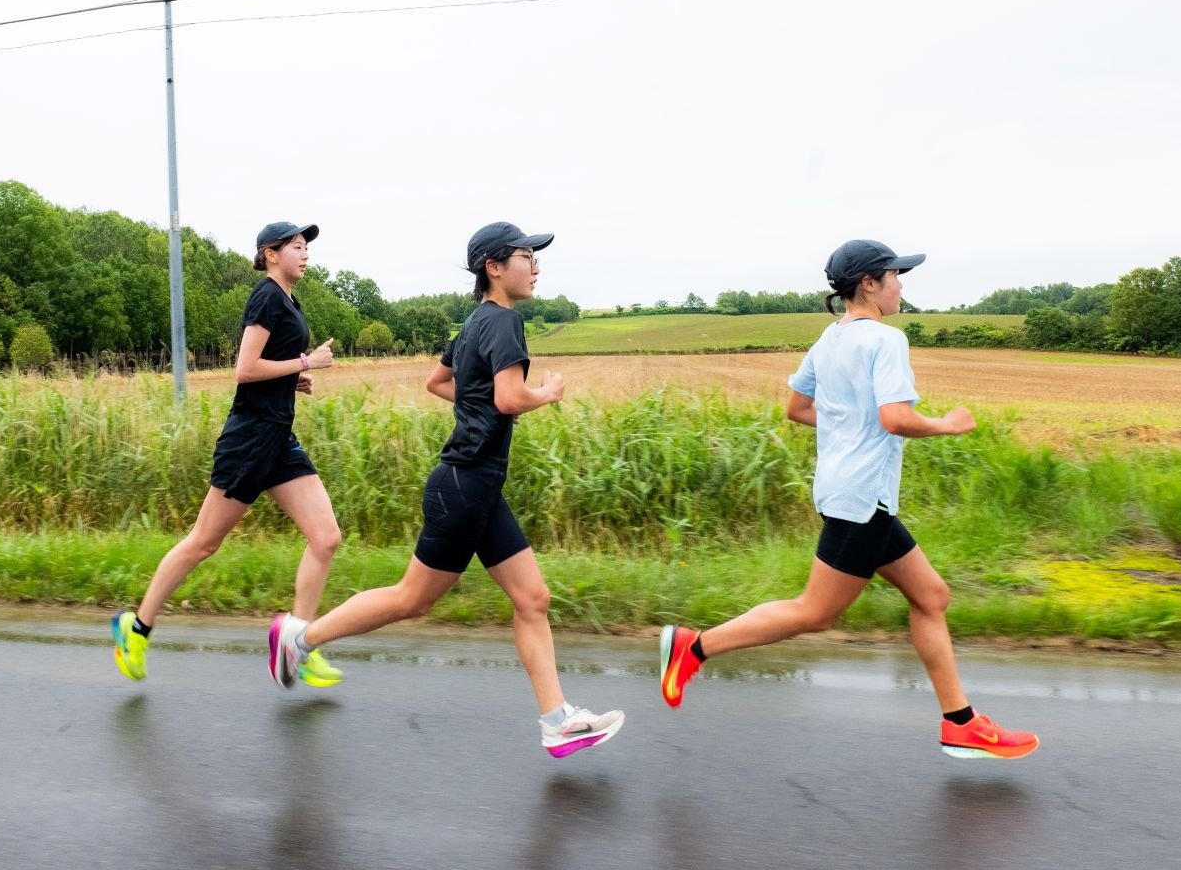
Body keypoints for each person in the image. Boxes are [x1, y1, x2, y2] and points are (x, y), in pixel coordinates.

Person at [659, 240, 1039, 759]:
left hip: (852, 493)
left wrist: (850, 422)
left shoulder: (829, 339)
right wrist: (947, 425)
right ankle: (692, 647)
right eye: (895, 275)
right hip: (862, 501)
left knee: (932, 596)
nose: (902, 284)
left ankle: (960, 722)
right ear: (868, 284)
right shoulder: (885, 342)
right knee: (814, 612)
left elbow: (798, 407)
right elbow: (896, 419)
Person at [267, 222, 625, 758]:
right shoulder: (502, 322)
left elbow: (439, 382)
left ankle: (558, 720)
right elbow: (507, 399)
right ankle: (299, 639)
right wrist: (546, 393)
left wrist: (482, 398)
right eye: (527, 256)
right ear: (494, 267)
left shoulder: (476, 321)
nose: (536, 265)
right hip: (465, 485)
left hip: (477, 488)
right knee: (411, 599)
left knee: (533, 598)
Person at [113, 222, 345, 687]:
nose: (305, 254)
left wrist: (292, 379)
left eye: (306, 248)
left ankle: (295, 643)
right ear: (270, 254)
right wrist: (305, 362)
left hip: (279, 438)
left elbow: (266, 370)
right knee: (204, 542)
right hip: (249, 440)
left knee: (326, 538)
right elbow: (244, 369)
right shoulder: (266, 296)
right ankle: (136, 628)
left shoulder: (289, 300)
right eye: (296, 247)